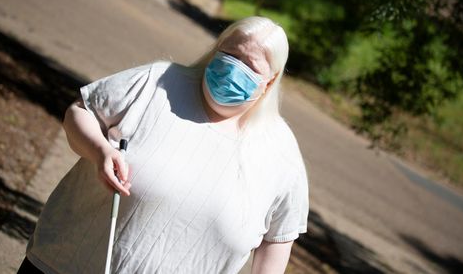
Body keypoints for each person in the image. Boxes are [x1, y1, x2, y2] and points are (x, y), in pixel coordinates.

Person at [21, 16, 309, 273]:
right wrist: (100, 151)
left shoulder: (281, 153)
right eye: (230, 55)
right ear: (215, 49)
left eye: (249, 66)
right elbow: (80, 112)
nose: (234, 69)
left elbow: (279, 238)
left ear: (269, 83)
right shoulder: (157, 82)